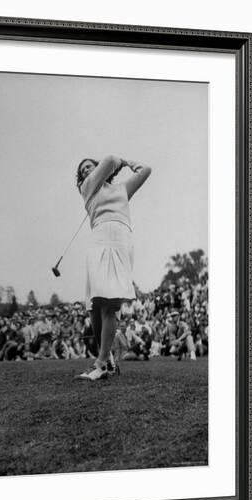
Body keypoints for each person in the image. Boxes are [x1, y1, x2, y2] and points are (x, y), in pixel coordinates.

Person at [74, 154, 151, 380]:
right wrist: (116, 163)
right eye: (82, 170)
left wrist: (127, 161)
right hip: (99, 237)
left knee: (109, 303)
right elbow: (108, 160)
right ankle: (107, 361)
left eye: (89, 167)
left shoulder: (122, 189)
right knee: (94, 305)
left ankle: (101, 364)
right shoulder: (86, 187)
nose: (86, 171)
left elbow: (145, 168)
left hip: (120, 238)